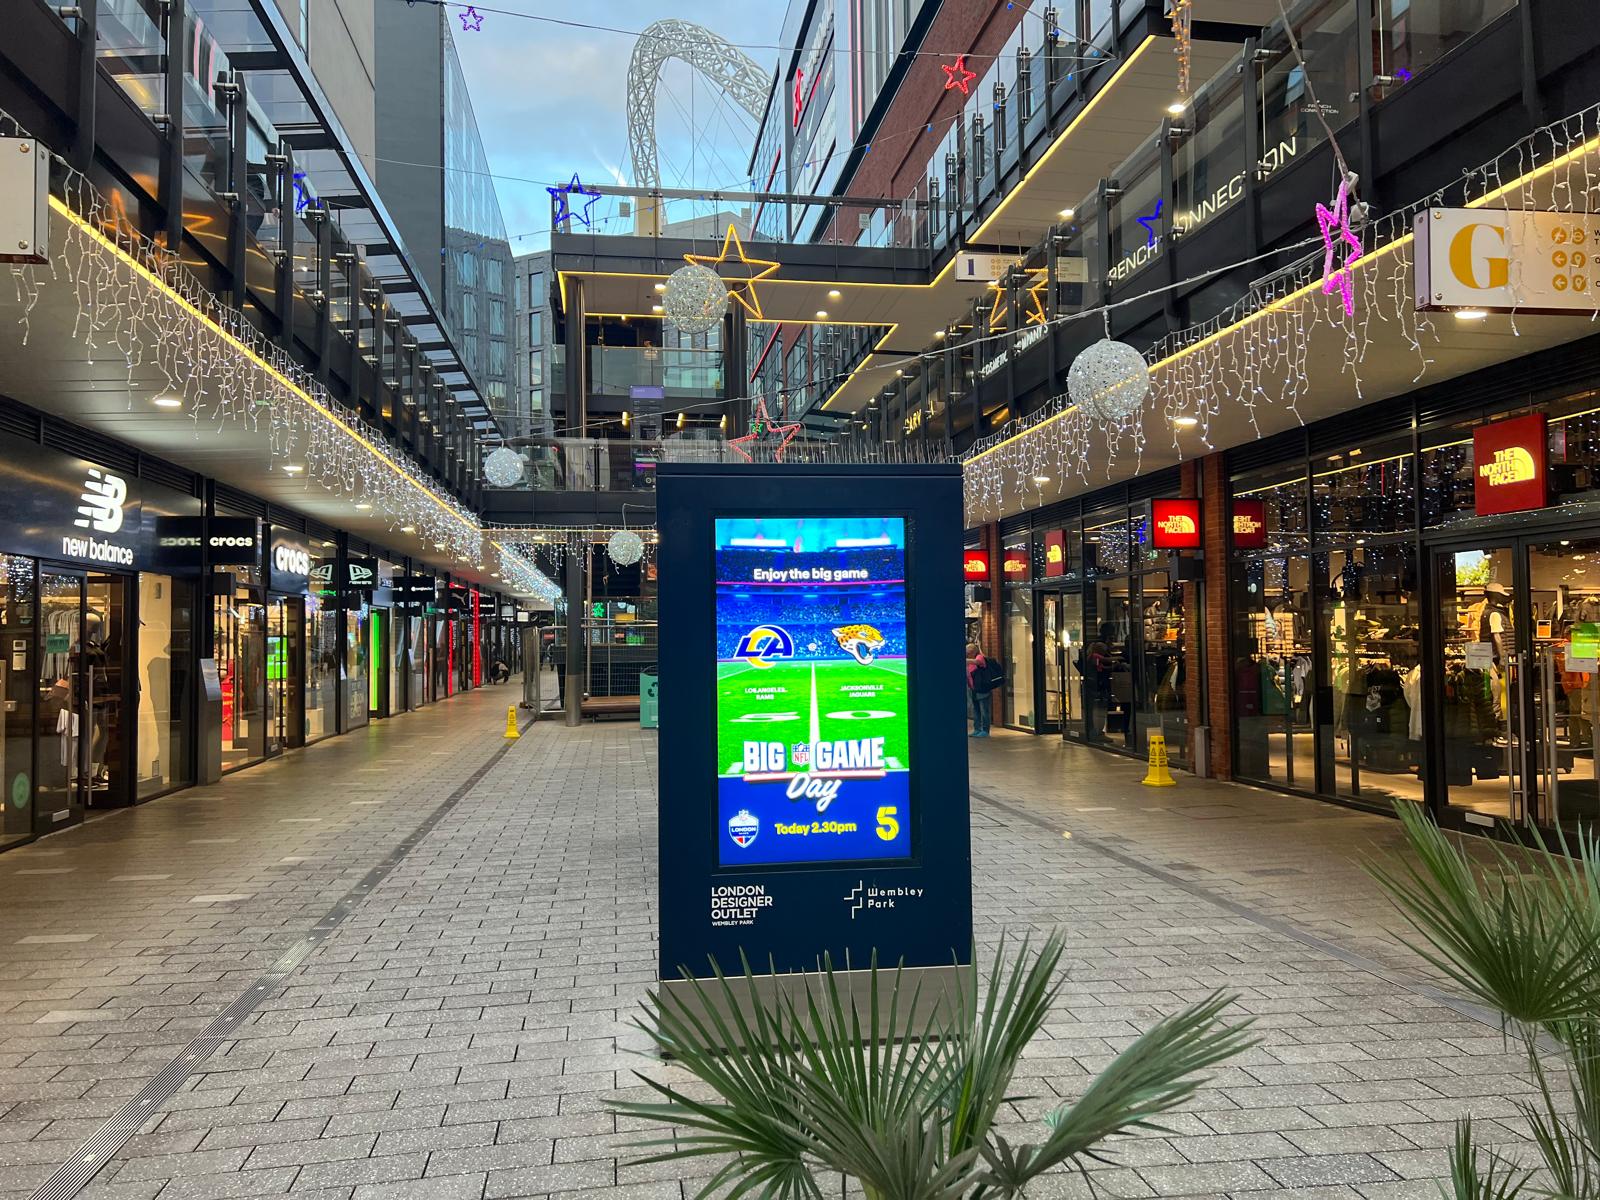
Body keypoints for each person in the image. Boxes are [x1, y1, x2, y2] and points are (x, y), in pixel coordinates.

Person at [967, 642, 995, 737]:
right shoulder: (970, 661)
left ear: (973, 652)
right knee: (976, 710)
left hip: (983, 689)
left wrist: (966, 660)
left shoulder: (979, 657)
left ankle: (985, 730)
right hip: (973, 689)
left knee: (984, 710)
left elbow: (977, 662)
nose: (967, 654)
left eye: (968, 652)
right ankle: (977, 729)